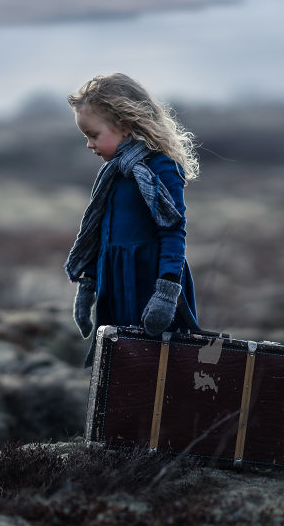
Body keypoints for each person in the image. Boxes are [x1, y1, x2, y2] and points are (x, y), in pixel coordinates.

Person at [65, 73, 200, 367]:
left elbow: (174, 232)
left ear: (124, 125)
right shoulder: (112, 173)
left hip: (149, 284)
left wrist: (165, 294)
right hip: (116, 281)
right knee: (121, 368)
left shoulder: (163, 168)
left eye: (93, 135)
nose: (89, 144)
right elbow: (100, 233)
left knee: (161, 368)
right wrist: (88, 285)